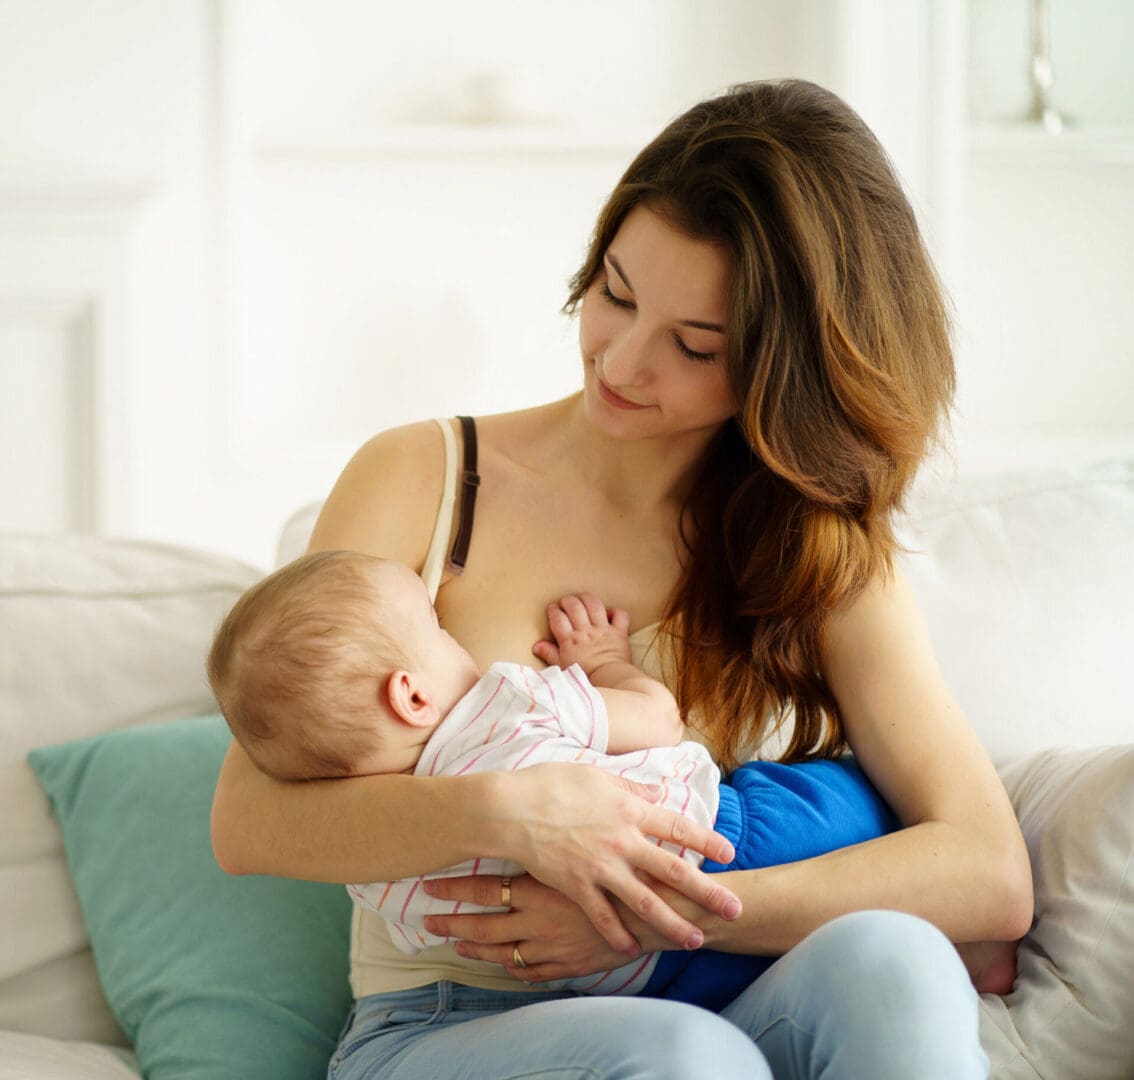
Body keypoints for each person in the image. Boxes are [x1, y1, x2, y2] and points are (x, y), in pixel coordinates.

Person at [210, 78, 1033, 1079]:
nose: (622, 363)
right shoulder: (426, 477)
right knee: (684, 1062)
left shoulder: (810, 543)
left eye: (694, 346)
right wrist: (522, 813)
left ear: (788, 369)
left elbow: (987, 871)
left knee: (897, 962)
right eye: (616, 293)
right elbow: (249, 821)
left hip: (703, 988)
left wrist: (656, 914)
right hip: (442, 1024)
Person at [208, 549, 914, 1007]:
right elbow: (659, 719)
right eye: (437, 627)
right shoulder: (510, 700)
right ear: (412, 695)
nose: (457, 638)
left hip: (636, 978)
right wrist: (604, 660)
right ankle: (958, 943)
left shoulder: (377, 876)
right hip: (725, 835)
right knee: (866, 804)